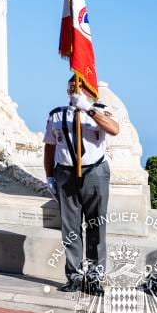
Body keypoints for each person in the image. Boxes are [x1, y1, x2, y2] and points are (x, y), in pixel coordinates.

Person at [43, 75, 120, 294]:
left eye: (77, 88)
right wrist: (49, 176)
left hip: (94, 172)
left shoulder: (101, 110)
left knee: (96, 225)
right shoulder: (56, 114)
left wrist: (88, 108)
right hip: (65, 173)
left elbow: (114, 129)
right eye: (70, 88)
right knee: (70, 227)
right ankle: (74, 275)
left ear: (89, 91)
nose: (73, 92)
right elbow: (49, 147)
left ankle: (95, 277)